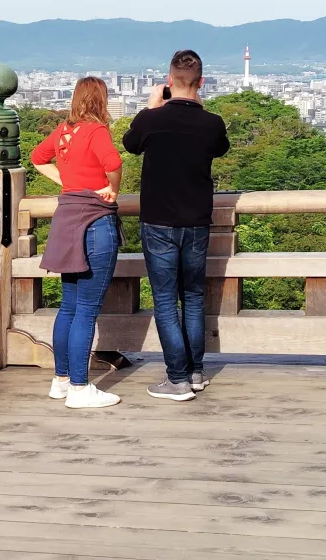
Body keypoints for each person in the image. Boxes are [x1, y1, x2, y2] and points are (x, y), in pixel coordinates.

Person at [123, 50, 229, 402]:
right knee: (194, 298)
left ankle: (177, 379)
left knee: (166, 301)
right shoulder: (212, 123)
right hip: (197, 221)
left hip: (158, 221)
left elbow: (130, 144)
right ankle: (196, 372)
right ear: (201, 82)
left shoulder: (152, 120)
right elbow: (220, 149)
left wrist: (152, 107)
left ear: (168, 82)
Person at [31, 77, 124, 409]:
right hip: (95, 221)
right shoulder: (97, 131)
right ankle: (81, 389)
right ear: (102, 100)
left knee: (68, 307)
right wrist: (111, 188)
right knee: (86, 309)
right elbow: (114, 163)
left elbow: (36, 157)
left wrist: (66, 180)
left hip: (66, 220)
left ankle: (61, 380)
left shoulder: (64, 131)